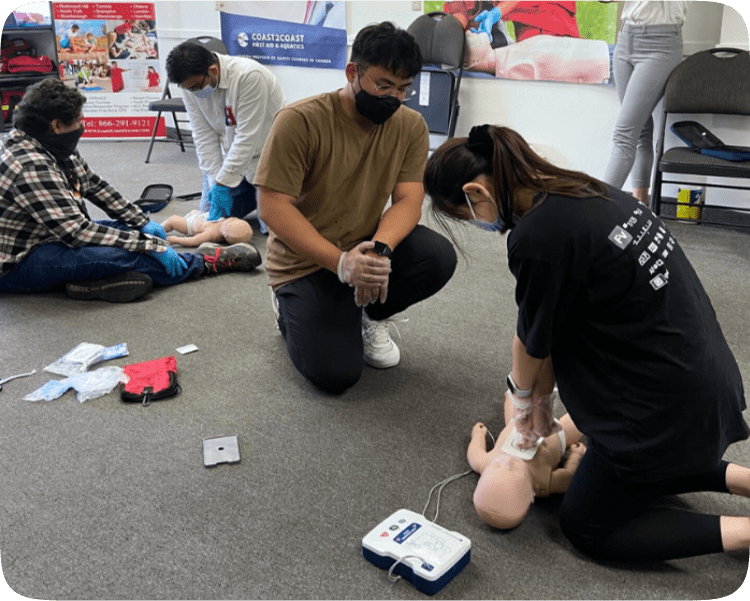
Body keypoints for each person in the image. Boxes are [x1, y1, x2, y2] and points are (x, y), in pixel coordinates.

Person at [424, 124, 750, 562]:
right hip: (701, 382)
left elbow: (531, 341)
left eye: (466, 214)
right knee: (621, 466)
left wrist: (523, 404)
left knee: (586, 523)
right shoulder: (587, 189)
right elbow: (556, 323)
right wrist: (540, 404)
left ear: (476, 193)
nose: (479, 223)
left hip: (662, 411)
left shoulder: (537, 237)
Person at [253, 22, 457, 395]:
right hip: (305, 260)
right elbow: (271, 207)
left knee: (437, 256)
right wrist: (341, 263)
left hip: (362, 243)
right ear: (352, 73)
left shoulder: (410, 126)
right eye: (383, 85)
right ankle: (287, 306)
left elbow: (409, 200)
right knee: (336, 375)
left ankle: (371, 315)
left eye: (402, 89)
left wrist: (379, 252)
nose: (393, 97)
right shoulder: (300, 121)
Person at [0, 78, 261, 303]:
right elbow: (78, 233)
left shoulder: (51, 143)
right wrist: (149, 246)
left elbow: (95, 186)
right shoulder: (29, 165)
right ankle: (204, 263)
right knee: (123, 254)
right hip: (21, 261)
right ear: (57, 125)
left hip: (51, 234)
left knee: (128, 234)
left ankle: (91, 283)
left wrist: (142, 223)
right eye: (79, 120)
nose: (83, 124)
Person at [165, 41, 286, 224]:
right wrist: (216, 183)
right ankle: (252, 197)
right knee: (209, 219)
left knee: (275, 228)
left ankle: (269, 198)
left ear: (213, 70)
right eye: (189, 89)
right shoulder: (190, 86)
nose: (194, 93)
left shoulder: (250, 76)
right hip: (232, 158)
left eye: (197, 87)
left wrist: (223, 184)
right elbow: (203, 136)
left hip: (268, 160)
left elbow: (247, 139)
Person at [603, 1, 687, 204]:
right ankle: (640, 205)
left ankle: (597, 208)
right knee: (640, 130)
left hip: (661, 44)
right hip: (625, 38)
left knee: (624, 132)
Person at [467, 391, 586, 530]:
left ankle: (511, 394)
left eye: (498, 465)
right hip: (557, 435)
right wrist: (576, 455)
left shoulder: (484, 462)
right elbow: (569, 476)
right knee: (582, 419)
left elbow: (474, 452)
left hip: (517, 422)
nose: (508, 460)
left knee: (516, 400)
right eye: (513, 469)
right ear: (531, 495)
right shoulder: (543, 482)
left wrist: (478, 434)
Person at [162, 210, 253, 248]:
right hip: (201, 216)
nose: (231, 219)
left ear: (226, 234)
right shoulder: (223, 224)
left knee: (172, 220)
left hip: (189, 225)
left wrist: (176, 240)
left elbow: (194, 241)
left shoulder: (211, 234)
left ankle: (158, 229)